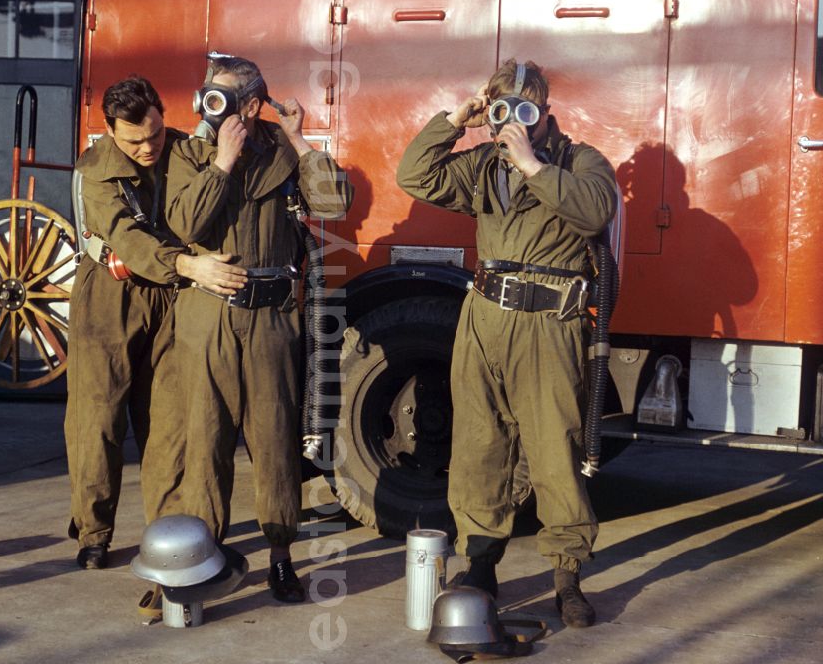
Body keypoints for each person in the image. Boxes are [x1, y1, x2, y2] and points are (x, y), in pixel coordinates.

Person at [396, 59, 617, 628]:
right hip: (486, 318)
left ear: (545, 113)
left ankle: (566, 576)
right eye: (502, 111)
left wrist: (533, 166)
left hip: (550, 325)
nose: (513, 123)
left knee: (553, 450)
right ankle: (482, 564)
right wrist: (455, 120)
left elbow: (596, 209)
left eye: (526, 110)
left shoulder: (578, 160)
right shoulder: (481, 166)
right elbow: (415, 176)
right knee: (478, 445)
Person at [165, 55, 353, 602]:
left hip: (270, 317)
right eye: (207, 95)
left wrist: (298, 138)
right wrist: (221, 162)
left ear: (251, 104)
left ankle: (279, 556)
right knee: (205, 441)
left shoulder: (279, 149)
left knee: (274, 440)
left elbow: (336, 203)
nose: (209, 106)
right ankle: (203, 556)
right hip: (207, 318)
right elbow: (185, 225)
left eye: (224, 97)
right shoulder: (188, 151)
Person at [65, 75, 248, 570]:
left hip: (170, 297)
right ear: (110, 130)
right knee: (97, 419)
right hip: (110, 295)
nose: (148, 148)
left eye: (156, 135)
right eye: (134, 140)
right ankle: (94, 530)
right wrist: (190, 265)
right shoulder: (97, 169)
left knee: (168, 422)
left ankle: (166, 529)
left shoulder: (184, 150)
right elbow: (129, 240)